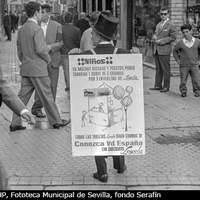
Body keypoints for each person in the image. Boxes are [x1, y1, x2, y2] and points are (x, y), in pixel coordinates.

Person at [72, 11, 131, 183]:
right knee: (117, 131)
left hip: (96, 105)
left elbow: (80, 89)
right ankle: (120, 166)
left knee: (97, 133)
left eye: (92, 34)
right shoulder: (125, 54)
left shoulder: (84, 57)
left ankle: (102, 173)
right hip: (117, 104)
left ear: (98, 35)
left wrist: (73, 57)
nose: (91, 36)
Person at [10, 1, 70, 132]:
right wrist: (48, 60)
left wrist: (25, 60)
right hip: (38, 69)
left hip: (26, 68)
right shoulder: (36, 29)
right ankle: (57, 121)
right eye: (40, 11)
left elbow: (19, 49)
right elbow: (41, 49)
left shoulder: (23, 28)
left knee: (22, 97)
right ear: (37, 12)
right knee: (47, 96)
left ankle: (15, 123)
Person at [31, 4, 63, 118]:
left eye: (43, 12)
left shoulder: (57, 26)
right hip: (39, 60)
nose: (41, 14)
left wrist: (50, 47)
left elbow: (61, 42)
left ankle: (51, 111)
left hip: (53, 59)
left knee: (52, 86)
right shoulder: (34, 25)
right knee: (40, 85)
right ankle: (37, 108)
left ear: (49, 13)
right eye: (41, 12)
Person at [150, 7, 177, 92]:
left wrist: (161, 41)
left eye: (165, 14)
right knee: (158, 69)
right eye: (161, 14)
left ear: (168, 14)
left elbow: (173, 37)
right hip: (157, 49)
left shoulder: (171, 24)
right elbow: (156, 34)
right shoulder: (158, 24)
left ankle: (166, 86)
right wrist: (154, 37)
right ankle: (158, 85)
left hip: (164, 50)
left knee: (165, 69)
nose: (163, 15)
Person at [173, 24, 200, 97]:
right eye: (183, 32)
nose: (185, 34)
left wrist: (199, 61)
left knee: (196, 80)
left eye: (187, 31)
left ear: (191, 31)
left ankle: (197, 91)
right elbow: (175, 51)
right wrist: (178, 60)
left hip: (194, 65)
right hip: (184, 65)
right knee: (183, 80)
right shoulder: (180, 43)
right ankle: (183, 91)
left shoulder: (197, 41)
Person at [60, 12, 81, 91]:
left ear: (64, 19)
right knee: (74, 69)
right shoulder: (77, 30)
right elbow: (79, 42)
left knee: (66, 70)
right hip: (74, 52)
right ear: (72, 20)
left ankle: (68, 85)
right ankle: (74, 84)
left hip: (64, 52)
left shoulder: (60, 28)